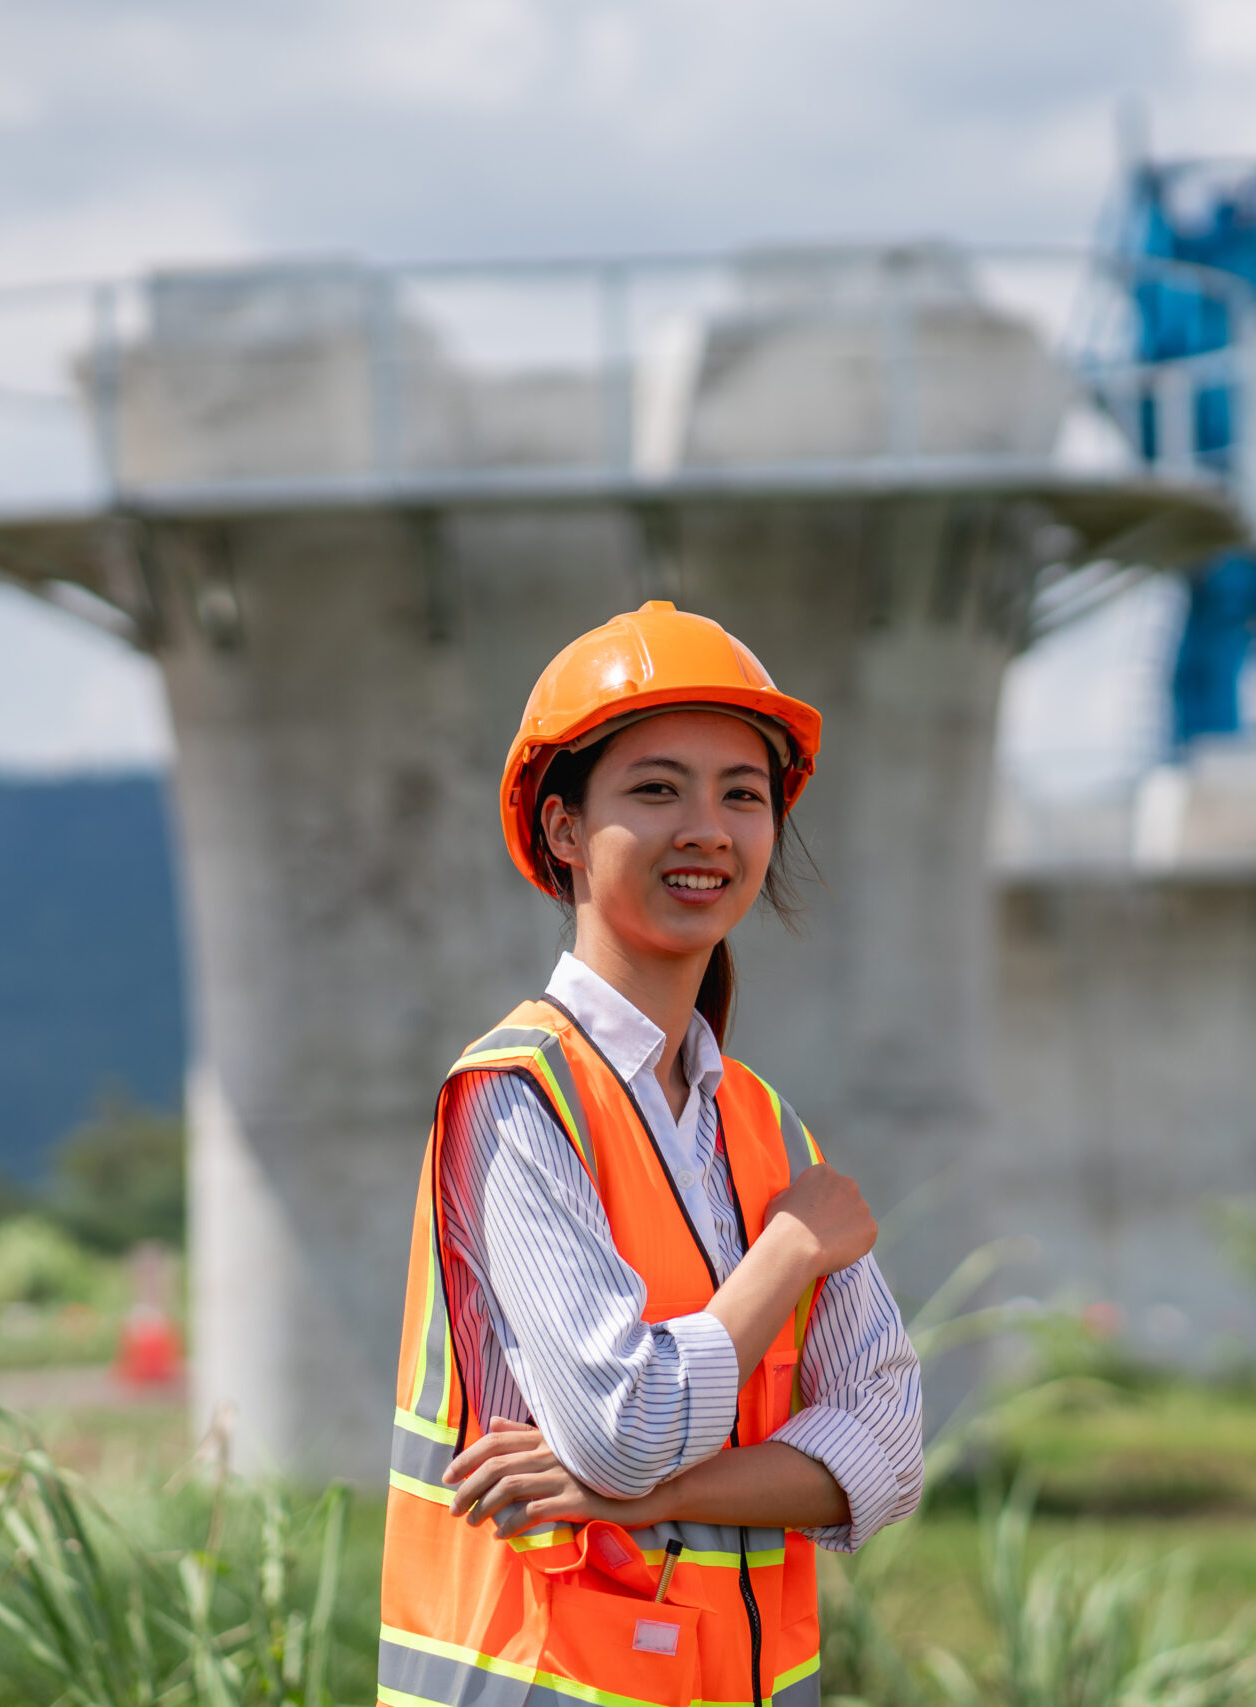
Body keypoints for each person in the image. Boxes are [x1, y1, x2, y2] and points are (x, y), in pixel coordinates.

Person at [379, 601, 922, 1707]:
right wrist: (787, 1255)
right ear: (564, 827)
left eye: (743, 794)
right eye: (656, 789)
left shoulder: (767, 1128)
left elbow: (886, 1453)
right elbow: (625, 1429)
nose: (709, 830)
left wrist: (621, 1498)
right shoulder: (516, 1096)